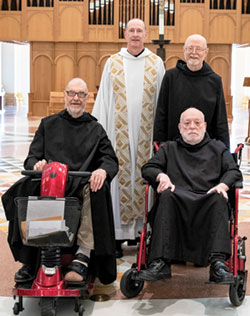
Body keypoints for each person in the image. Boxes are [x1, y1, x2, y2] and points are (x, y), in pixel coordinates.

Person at [2, 78, 119, 285]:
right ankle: (30, 260)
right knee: (24, 189)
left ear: (87, 99)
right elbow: (31, 158)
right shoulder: (48, 124)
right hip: (51, 182)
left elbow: (109, 159)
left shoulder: (96, 129)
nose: (76, 98)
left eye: (81, 94)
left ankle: (82, 258)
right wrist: (36, 164)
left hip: (81, 183)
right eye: (72, 93)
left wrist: (101, 170)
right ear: (65, 96)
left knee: (97, 189)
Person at [139, 107, 242, 282]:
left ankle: (217, 264)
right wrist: (161, 175)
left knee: (219, 198)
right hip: (176, 202)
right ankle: (160, 263)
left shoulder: (218, 148)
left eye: (197, 123)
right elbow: (148, 168)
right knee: (165, 196)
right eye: (187, 123)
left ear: (204, 126)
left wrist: (222, 185)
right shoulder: (169, 148)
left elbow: (234, 171)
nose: (192, 127)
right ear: (180, 127)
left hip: (207, 202)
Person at [92, 18, 165, 256]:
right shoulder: (112, 63)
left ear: (146, 34)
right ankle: (116, 235)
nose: (135, 34)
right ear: (125, 34)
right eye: (131, 30)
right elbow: (103, 100)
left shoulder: (156, 64)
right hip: (117, 134)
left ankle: (141, 232)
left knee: (145, 179)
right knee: (118, 179)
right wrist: (99, 137)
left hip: (146, 135)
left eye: (139, 31)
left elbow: (161, 104)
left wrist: (161, 137)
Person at [153, 34, 230, 150]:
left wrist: (224, 149)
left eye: (198, 49)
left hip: (206, 148)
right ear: (184, 51)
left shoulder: (215, 80)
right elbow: (161, 112)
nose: (193, 52)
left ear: (206, 52)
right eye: (189, 48)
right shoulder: (170, 77)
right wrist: (159, 142)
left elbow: (220, 119)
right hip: (174, 146)